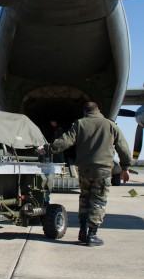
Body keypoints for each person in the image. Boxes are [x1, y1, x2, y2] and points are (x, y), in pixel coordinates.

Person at [38, 102, 131, 247]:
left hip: (84, 169)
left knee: (85, 199)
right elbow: (123, 148)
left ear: (84, 112)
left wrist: (47, 148)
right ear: (98, 110)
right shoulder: (110, 125)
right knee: (98, 202)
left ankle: (82, 231)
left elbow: (65, 141)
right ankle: (92, 235)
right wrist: (125, 168)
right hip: (103, 170)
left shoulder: (79, 124)